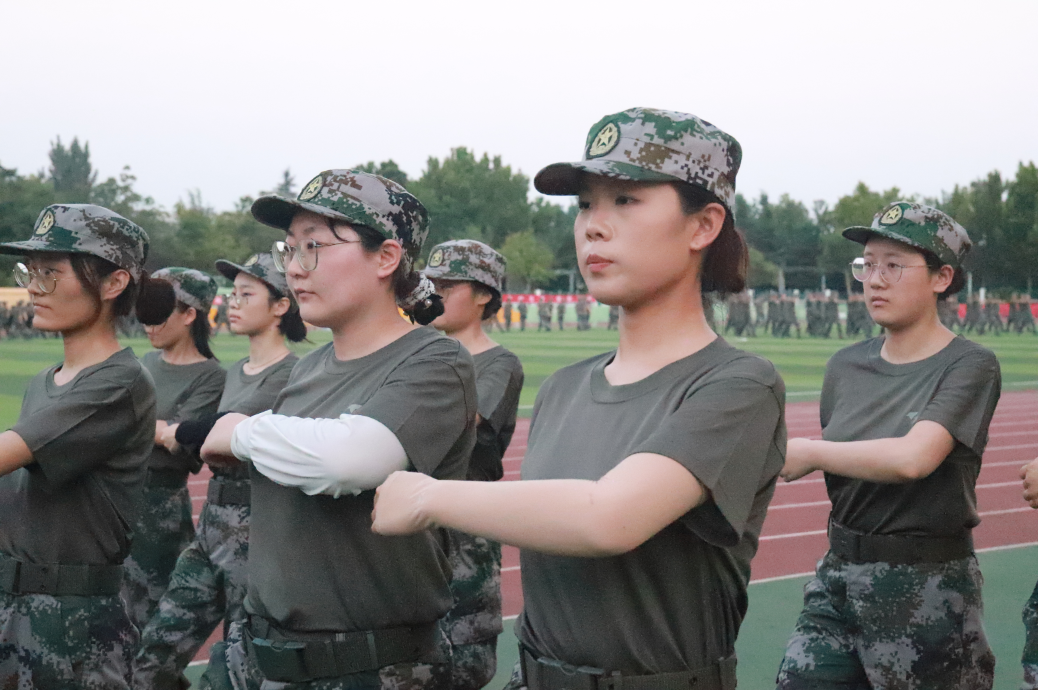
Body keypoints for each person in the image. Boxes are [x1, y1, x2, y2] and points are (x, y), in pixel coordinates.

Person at [372, 107, 786, 690]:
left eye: (626, 200)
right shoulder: (564, 387)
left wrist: (426, 496)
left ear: (703, 225)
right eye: (586, 204)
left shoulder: (737, 385)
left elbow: (609, 518)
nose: (593, 225)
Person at [197, 169, 476, 690]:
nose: (296, 269)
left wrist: (240, 431)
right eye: (291, 250)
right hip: (263, 655)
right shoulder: (307, 368)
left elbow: (349, 461)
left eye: (315, 246)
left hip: (366, 667)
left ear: (386, 258)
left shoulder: (434, 360)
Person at [776, 202, 1000, 689]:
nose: (874, 280)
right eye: (867, 264)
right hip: (837, 577)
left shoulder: (969, 365)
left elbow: (914, 458)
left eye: (893, 266)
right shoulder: (844, 366)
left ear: (942, 277)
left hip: (928, 587)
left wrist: (811, 452)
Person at [0, 204, 175, 688]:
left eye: (51, 273)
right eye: (30, 272)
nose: (34, 286)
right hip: (17, 605)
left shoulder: (118, 383)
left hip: (69, 625)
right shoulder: (46, 381)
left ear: (114, 283)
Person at [132, 253, 305, 690]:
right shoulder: (234, 373)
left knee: (238, 663)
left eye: (247, 294)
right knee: (152, 653)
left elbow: (210, 435)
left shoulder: (293, 373)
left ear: (281, 306)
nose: (233, 302)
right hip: (213, 524)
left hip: (259, 531)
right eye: (233, 293)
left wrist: (180, 431)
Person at [424, 239, 525, 690]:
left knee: (464, 659)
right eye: (430, 284)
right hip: (417, 521)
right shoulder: (421, 355)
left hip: (466, 530)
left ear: (484, 294)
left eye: (447, 285)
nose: (433, 293)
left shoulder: (498, 363)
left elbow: (463, 419)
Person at [123, 268, 226, 633]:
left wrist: (133, 427)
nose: (148, 323)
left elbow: (181, 445)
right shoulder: (144, 363)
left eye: (160, 311)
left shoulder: (211, 376)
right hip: (117, 500)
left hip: (159, 512)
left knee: (151, 625)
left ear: (189, 314)